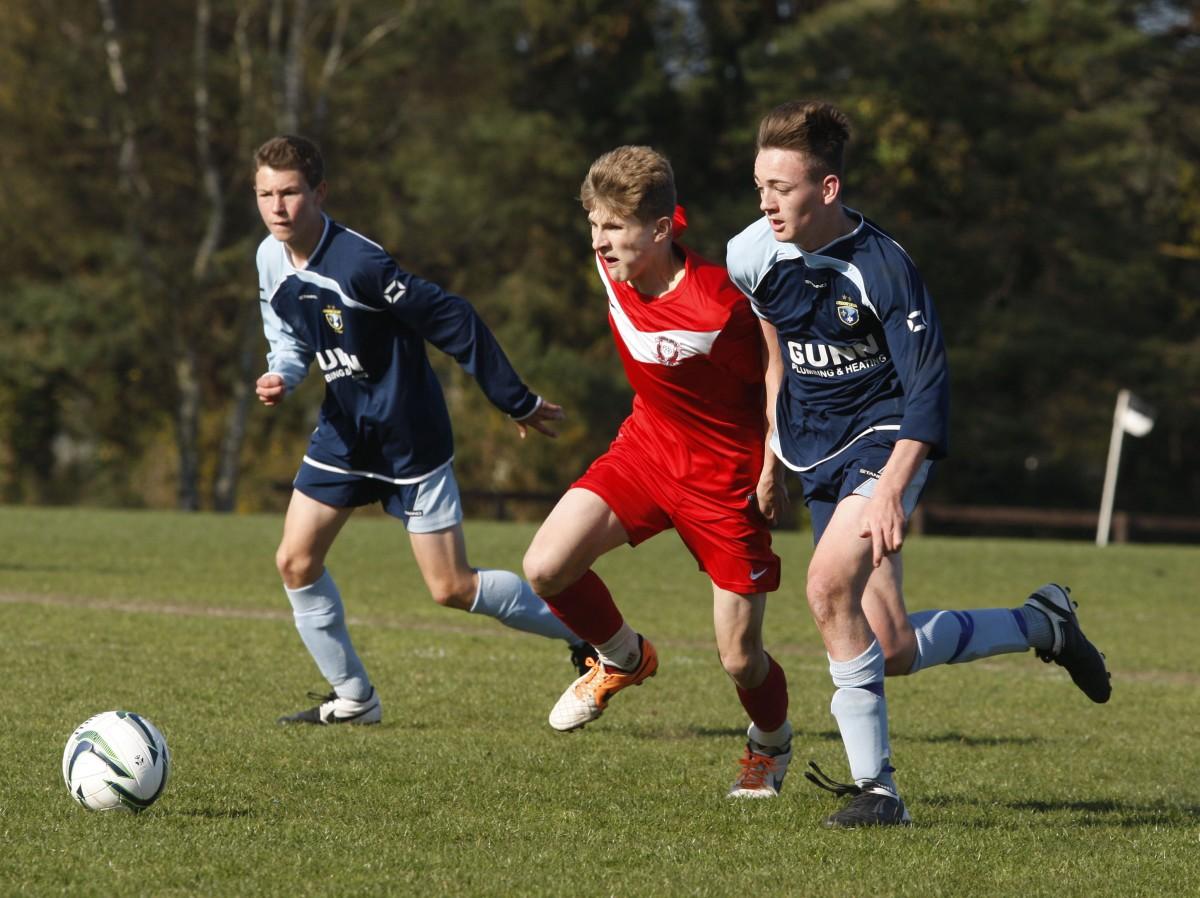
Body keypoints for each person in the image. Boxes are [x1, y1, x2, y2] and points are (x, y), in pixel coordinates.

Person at [726, 101, 1111, 827]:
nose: (767, 202)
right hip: (817, 451)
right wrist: (773, 450)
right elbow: (775, 352)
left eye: (782, 187)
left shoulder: (885, 269)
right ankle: (1042, 624)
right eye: (759, 186)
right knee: (891, 647)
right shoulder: (750, 254)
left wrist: (890, 493)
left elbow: (928, 389)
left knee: (826, 586)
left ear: (828, 190)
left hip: (886, 437)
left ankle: (879, 792)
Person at [252, 134, 589, 726]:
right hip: (344, 432)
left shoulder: (361, 264)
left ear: (319, 193)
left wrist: (515, 399)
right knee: (295, 562)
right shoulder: (267, 258)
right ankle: (355, 699)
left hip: (410, 439)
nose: (277, 207)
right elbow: (289, 337)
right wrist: (282, 374)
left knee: (451, 588)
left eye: (290, 193)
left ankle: (591, 635)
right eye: (264, 194)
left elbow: (452, 317)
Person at [522, 146, 793, 798]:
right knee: (546, 566)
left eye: (614, 227)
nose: (600, 242)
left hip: (725, 478)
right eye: (594, 225)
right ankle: (622, 657)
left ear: (663, 228)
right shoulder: (609, 267)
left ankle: (770, 744)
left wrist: (775, 464)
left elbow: (780, 372)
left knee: (739, 658)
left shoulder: (719, 304)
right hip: (646, 450)